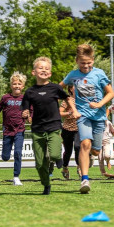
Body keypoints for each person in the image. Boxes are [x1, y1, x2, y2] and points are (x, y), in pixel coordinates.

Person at [60, 43, 114, 194]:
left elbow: (111, 93)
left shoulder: (99, 74)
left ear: (93, 60)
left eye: (89, 62)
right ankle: (84, 179)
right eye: (82, 63)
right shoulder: (73, 75)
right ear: (77, 61)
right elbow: (59, 88)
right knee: (84, 143)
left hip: (99, 116)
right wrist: (71, 105)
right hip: (82, 115)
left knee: (95, 151)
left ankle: (90, 154)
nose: (86, 66)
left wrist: (100, 104)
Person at [23, 56, 69, 195]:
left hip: (54, 126)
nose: (44, 70)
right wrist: (25, 113)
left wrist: (73, 109)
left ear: (50, 73)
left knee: (54, 154)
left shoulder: (55, 88)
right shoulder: (29, 92)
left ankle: (58, 157)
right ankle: (46, 184)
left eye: (47, 68)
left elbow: (67, 97)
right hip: (37, 130)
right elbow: (25, 108)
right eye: (40, 68)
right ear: (34, 72)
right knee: (40, 163)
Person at [0, 72, 27, 186]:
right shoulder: (5, 98)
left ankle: (16, 177)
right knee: (5, 157)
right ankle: (5, 155)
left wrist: (29, 116)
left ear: (23, 86)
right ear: (11, 85)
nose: (17, 86)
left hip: (20, 129)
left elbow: (31, 110)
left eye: (19, 84)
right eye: (14, 84)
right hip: (7, 130)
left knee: (18, 152)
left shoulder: (25, 98)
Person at [59, 87, 79, 180]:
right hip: (67, 129)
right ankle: (65, 167)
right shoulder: (67, 100)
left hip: (79, 129)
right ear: (71, 89)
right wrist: (69, 113)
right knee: (68, 151)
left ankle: (80, 167)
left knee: (78, 147)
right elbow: (60, 112)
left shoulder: (83, 99)